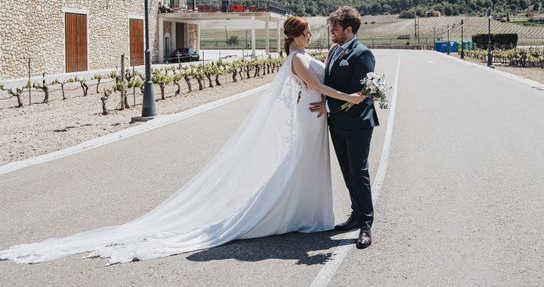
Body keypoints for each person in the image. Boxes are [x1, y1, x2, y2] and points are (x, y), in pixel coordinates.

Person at [0, 16, 366, 265]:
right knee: (299, 165)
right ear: (297, 35)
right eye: (307, 33)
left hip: (314, 115)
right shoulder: (298, 57)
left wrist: (325, 100)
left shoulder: (303, 55)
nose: (312, 37)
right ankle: (292, 212)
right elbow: (315, 85)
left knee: (304, 166)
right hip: (309, 118)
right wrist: (345, 98)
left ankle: (308, 212)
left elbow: (313, 89)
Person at [309, 6, 379, 249]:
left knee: (359, 173)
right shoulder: (334, 51)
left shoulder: (363, 54)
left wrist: (328, 108)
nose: (332, 33)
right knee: (347, 173)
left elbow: (360, 95)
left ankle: (366, 225)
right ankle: (355, 215)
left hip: (358, 124)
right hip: (337, 123)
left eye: (335, 29)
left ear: (349, 30)